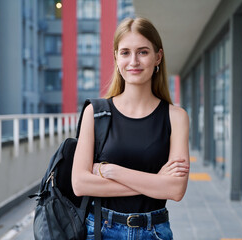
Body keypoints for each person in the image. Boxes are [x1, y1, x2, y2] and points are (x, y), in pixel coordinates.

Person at [72, 17, 190, 240]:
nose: (133, 61)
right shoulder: (95, 113)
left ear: (158, 57)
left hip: (154, 232)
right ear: (116, 57)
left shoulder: (176, 117)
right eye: (125, 52)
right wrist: (155, 181)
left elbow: (175, 190)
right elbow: (79, 183)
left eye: (143, 52)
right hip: (100, 231)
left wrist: (111, 171)